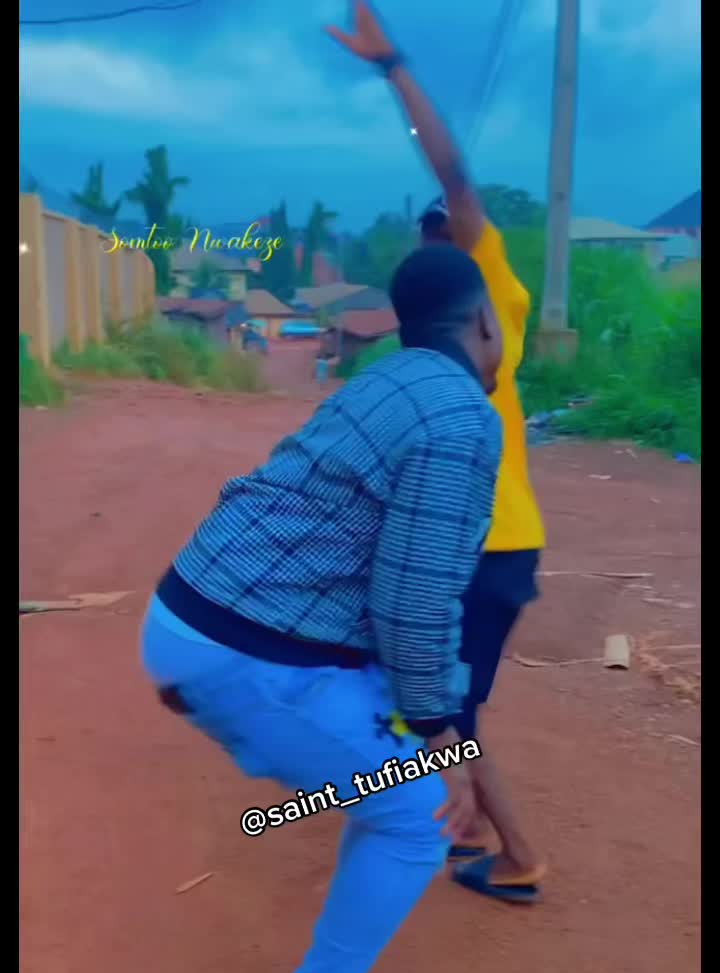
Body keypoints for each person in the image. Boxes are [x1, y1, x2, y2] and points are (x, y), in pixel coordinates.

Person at [141, 244, 503, 973]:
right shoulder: (459, 418)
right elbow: (414, 598)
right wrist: (445, 735)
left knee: (391, 793)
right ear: (485, 323)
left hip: (205, 616)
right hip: (243, 645)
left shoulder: (385, 382)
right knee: (420, 814)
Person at [327, 2, 547, 901]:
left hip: (485, 543)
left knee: (443, 706)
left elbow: (454, 177)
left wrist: (394, 69)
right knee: (445, 699)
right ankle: (469, 824)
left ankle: (518, 854)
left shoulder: (486, 289)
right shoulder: (438, 346)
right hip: (488, 542)